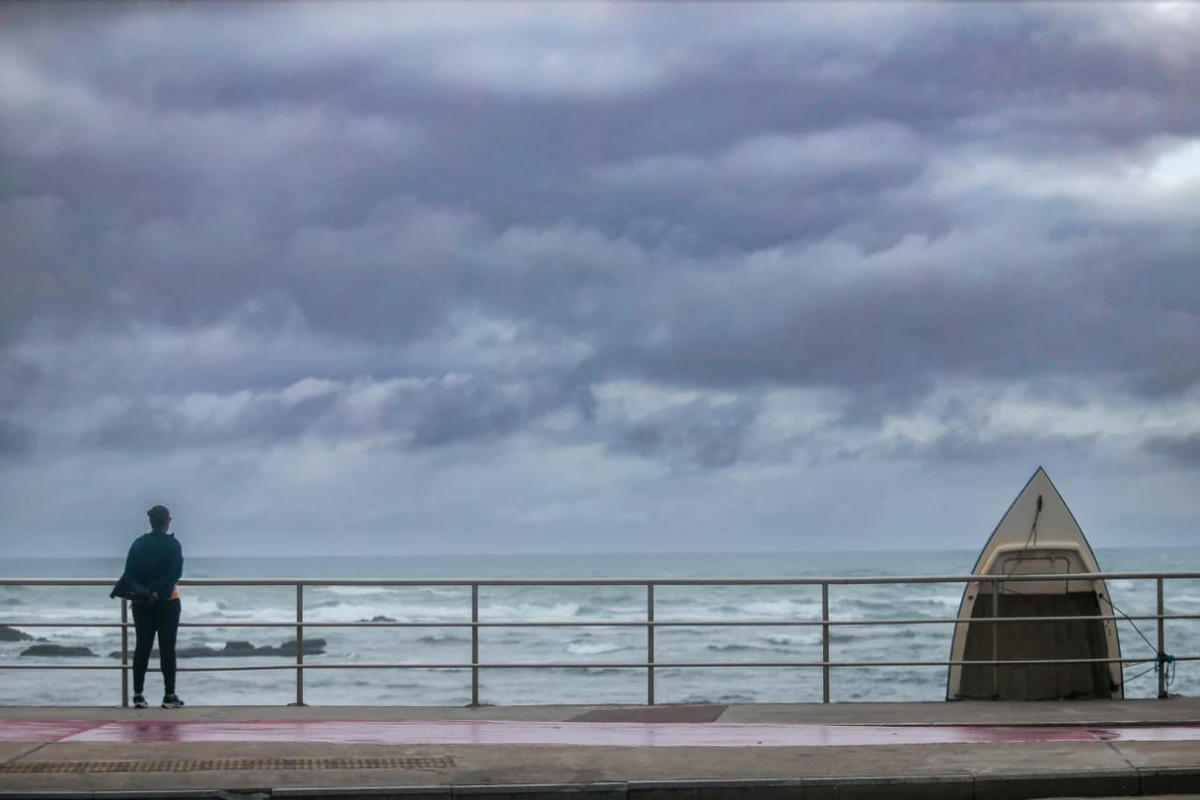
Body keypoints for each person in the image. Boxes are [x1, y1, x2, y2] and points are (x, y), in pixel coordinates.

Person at [112, 505, 185, 709]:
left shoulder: (138, 544)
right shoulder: (173, 545)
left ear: (151, 522)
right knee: (167, 649)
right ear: (167, 521)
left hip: (141, 601)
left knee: (142, 647)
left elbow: (129, 573)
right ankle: (169, 695)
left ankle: (138, 695)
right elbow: (175, 573)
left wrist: (146, 591)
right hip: (168, 601)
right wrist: (158, 591)